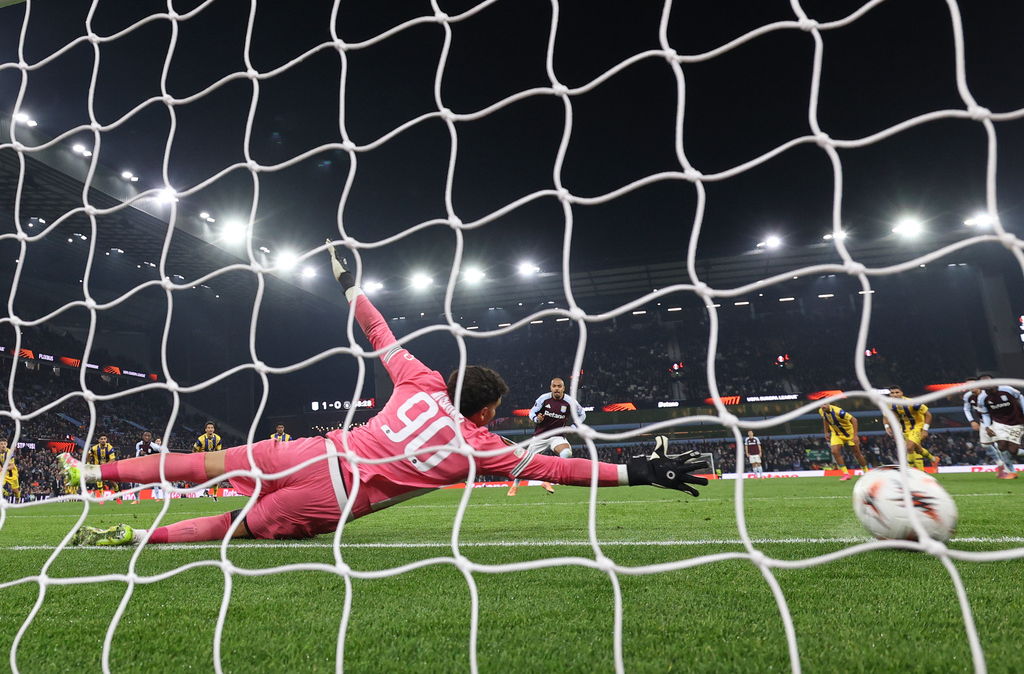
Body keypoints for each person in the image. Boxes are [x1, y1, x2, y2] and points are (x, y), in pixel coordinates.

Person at [60, 242, 708, 547]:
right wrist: (639, 470)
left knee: (203, 462)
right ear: (482, 410)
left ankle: (91, 470)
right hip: (335, 494)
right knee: (230, 531)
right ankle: (128, 538)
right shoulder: (481, 444)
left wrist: (349, 285)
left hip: (312, 450)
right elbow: (561, 468)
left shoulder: (420, 378)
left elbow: (379, 329)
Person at [508, 377, 586, 497]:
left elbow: (582, 414)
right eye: (554, 386)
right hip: (541, 435)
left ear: (563, 388)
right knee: (525, 461)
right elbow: (532, 413)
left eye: (559, 386)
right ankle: (515, 486)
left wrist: (574, 427)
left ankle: (548, 481)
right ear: (551, 388)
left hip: (557, 436)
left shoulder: (570, 401)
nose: (556, 389)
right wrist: (536, 418)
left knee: (566, 453)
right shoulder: (544, 399)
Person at [964, 375, 1016, 479]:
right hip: (984, 424)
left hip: (996, 422)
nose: (971, 387)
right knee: (986, 445)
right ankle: (1000, 465)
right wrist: (972, 421)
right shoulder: (968, 396)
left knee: (1000, 446)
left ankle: (1011, 470)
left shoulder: (987, 394)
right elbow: (966, 409)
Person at [884, 386, 936, 471]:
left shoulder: (912, 403)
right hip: (904, 429)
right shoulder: (889, 405)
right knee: (918, 450)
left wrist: (925, 430)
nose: (895, 395)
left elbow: (928, 415)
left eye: (897, 392)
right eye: (892, 393)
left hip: (917, 427)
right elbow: (885, 416)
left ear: (901, 393)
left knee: (909, 448)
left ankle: (910, 471)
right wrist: (887, 427)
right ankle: (933, 459)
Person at [977, 383, 1024, 474]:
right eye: (986, 390)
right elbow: (985, 414)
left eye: (990, 389)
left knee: (1013, 451)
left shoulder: (1007, 390)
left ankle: (1010, 469)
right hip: (999, 423)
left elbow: (1020, 397)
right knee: (1001, 446)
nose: (988, 392)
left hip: (1016, 422)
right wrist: (987, 427)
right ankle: (1011, 471)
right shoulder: (983, 398)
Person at [818, 403, 869, 481]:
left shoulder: (839, 411)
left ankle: (866, 473)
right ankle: (846, 473)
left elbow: (854, 420)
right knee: (834, 451)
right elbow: (825, 419)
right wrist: (826, 432)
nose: (823, 406)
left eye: (824, 404)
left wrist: (855, 436)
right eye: (821, 405)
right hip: (836, 434)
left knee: (857, 454)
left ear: (829, 403)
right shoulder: (821, 411)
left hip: (849, 434)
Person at [86, 434, 120, 505]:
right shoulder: (94, 448)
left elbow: (112, 459)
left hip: (108, 467)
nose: (103, 440)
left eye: (104, 439)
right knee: (99, 481)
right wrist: (88, 463)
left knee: (112, 482)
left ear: (106, 440)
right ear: (99, 440)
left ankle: (118, 497)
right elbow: (88, 454)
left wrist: (105, 464)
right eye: (101, 439)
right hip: (98, 467)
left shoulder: (110, 448)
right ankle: (102, 497)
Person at [194, 422, 223, 501]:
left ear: (214, 429)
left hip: (212, 459)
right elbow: (194, 450)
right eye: (208, 428)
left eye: (212, 428)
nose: (210, 429)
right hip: (201, 459)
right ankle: (205, 491)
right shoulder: (200, 439)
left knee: (215, 477)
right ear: (205, 429)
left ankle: (214, 495)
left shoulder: (218, 438)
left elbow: (218, 451)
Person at [1, 438, 20, 504]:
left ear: (7, 444)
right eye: (1, 444)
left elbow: (11, 466)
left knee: (15, 490)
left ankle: (18, 500)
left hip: (11, 473)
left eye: (4, 444)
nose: (3, 445)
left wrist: (3, 469)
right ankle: (6, 494)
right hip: (2, 473)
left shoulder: (10, 452)